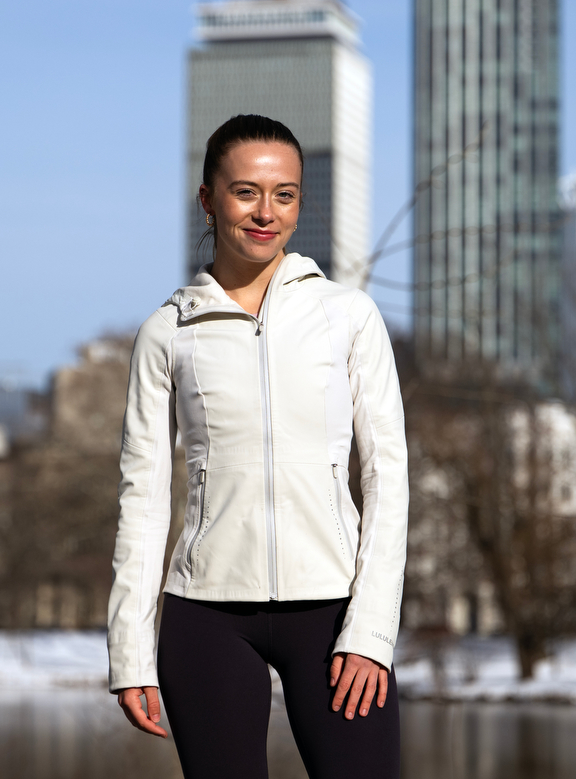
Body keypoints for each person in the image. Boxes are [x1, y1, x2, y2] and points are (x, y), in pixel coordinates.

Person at [107, 114, 408, 778]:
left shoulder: (347, 317)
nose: (266, 212)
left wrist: (371, 631)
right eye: (246, 192)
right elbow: (144, 498)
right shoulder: (168, 333)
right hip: (206, 618)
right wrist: (129, 651)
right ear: (209, 200)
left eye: (285, 194)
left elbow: (388, 478)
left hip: (332, 614)